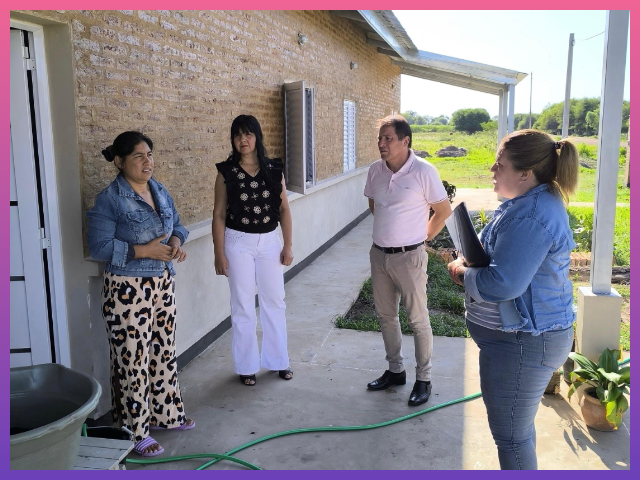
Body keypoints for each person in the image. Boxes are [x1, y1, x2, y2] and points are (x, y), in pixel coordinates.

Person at [447, 129, 578, 470]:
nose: (492, 170)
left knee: (512, 440)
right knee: (517, 434)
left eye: (499, 164)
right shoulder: (526, 204)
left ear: (524, 173)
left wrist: (461, 273)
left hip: (523, 344)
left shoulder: (531, 215)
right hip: (518, 342)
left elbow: (503, 284)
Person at [88, 131, 194, 457]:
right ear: (120, 162)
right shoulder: (110, 199)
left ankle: (165, 414)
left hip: (162, 283)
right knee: (132, 360)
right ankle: (135, 431)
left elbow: (178, 225)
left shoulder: (158, 190)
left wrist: (175, 243)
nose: (148, 161)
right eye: (139, 156)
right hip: (127, 289)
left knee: (162, 351)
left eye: (149, 154)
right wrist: (145, 250)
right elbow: (99, 247)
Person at [364, 114, 452, 406]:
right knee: (386, 316)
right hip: (379, 255)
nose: (382, 143)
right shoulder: (375, 170)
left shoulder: (424, 171)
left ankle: (423, 379)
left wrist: (421, 238)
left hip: (409, 257)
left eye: (388, 138)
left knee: (417, 319)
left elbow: (443, 211)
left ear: (405, 141)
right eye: (380, 138)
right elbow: (375, 205)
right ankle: (395, 371)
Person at [212, 115, 294, 386]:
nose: (243, 140)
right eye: (237, 135)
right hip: (237, 243)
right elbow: (219, 214)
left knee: (275, 301)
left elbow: (284, 209)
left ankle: (279, 360)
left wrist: (288, 245)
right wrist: (219, 252)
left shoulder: (273, 169)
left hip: (270, 241)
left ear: (257, 136)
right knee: (243, 304)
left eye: (248, 134)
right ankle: (246, 366)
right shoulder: (226, 172)